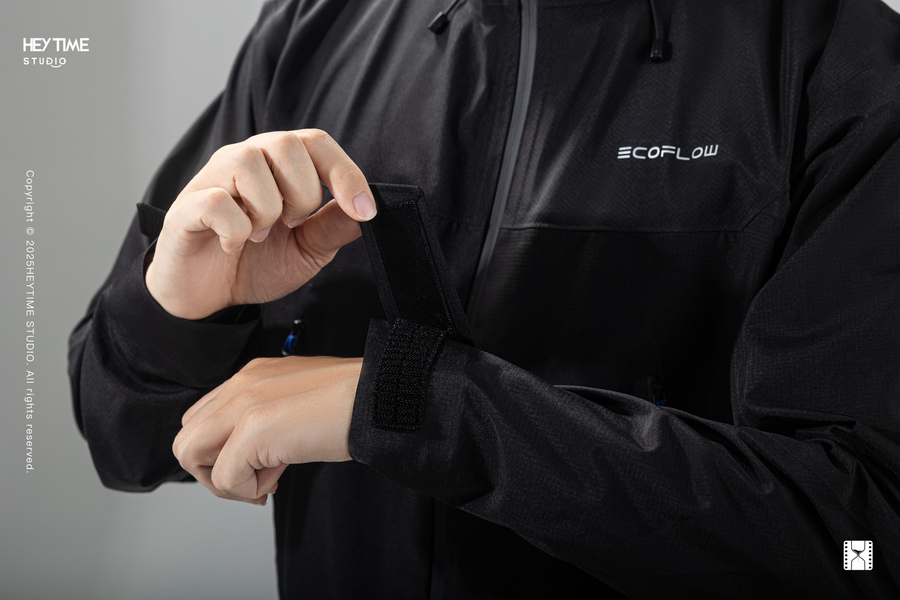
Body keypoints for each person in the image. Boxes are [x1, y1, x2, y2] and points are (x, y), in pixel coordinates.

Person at [68, 0, 900, 597]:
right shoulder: (316, 26)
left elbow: (864, 544)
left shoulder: (831, 53)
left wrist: (419, 404)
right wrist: (180, 313)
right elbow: (123, 435)